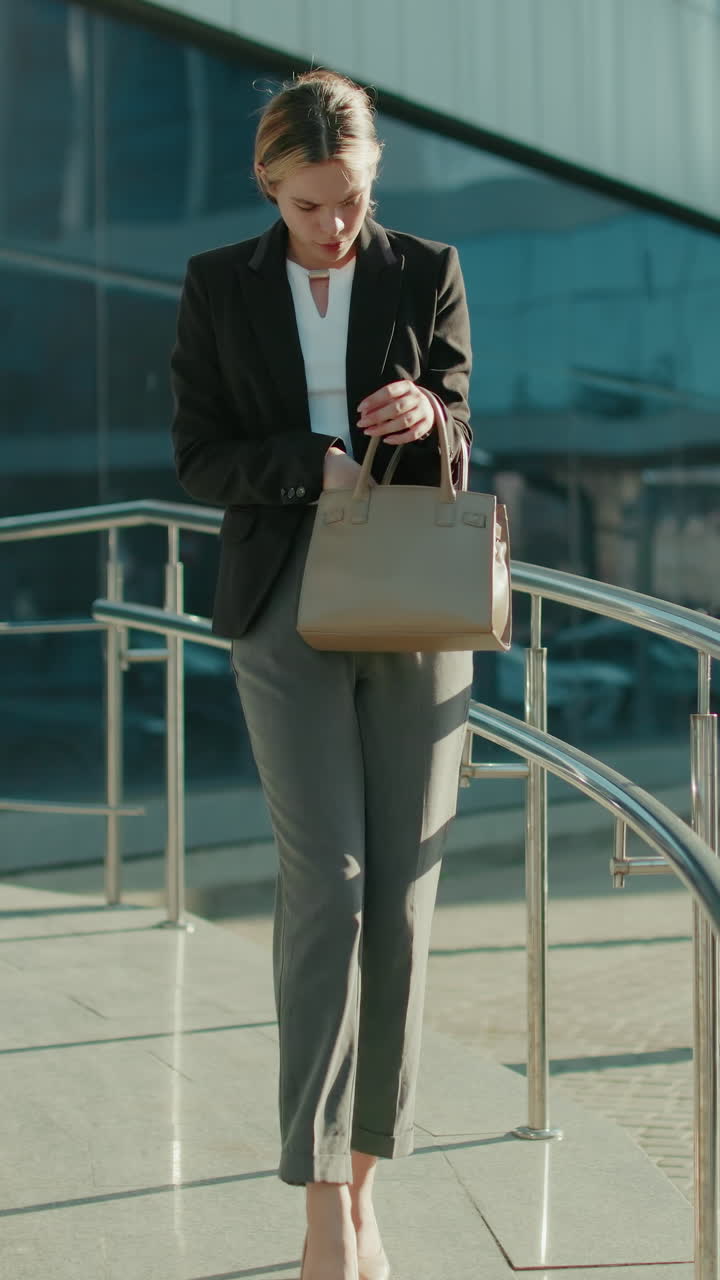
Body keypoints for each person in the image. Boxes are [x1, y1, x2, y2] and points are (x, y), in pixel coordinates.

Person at [170, 68, 474, 1280]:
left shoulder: (426, 266)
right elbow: (198, 455)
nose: (334, 228)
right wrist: (312, 464)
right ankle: (314, 1195)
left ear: (372, 179)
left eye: (349, 201)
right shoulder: (213, 286)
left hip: (413, 608)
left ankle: (364, 1181)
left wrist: (426, 418)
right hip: (281, 602)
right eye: (309, 207)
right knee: (331, 890)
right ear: (269, 186)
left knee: (401, 902)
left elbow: (462, 420)